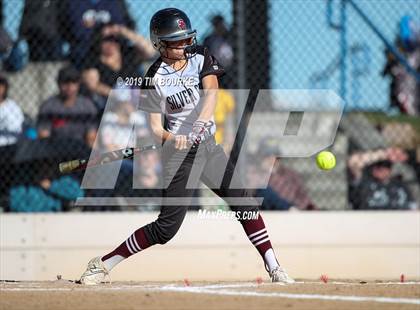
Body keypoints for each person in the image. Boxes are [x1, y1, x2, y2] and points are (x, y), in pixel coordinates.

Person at [79, 8, 294, 285]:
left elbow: (212, 93)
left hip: (209, 147)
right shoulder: (153, 77)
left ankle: (274, 267)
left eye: (185, 39)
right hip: (179, 156)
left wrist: (197, 126)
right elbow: (156, 128)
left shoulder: (201, 56)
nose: (183, 45)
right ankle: (103, 264)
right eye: (176, 41)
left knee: (244, 202)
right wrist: (172, 137)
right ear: (160, 44)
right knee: (165, 229)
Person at [37, 66, 98, 147]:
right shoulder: (48, 106)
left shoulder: (87, 106)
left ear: (79, 84)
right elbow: (44, 138)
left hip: (81, 151)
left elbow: (91, 138)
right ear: (58, 83)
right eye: (65, 83)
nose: (70, 87)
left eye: (73, 82)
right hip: (54, 151)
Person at [0, 74, 24, 146]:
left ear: (4, 88)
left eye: (1, 86)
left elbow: (16, 128)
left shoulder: (12, 106)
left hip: (10, 145)